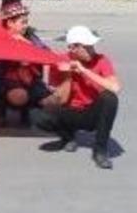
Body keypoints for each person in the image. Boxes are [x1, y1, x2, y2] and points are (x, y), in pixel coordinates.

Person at [36, 25, 120, 169]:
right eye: (86, 47)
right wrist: (67, 75)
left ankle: (100, 150)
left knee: (110, 98)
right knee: (40, 117)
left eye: (92, 46)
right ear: (73, 48)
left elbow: (115, 87)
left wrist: (83, 70)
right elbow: (60, 99)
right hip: (71, 112)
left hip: (92, 113)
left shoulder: (101, 59)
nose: (92, 50)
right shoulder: (61, 61)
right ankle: (68, 137)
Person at [0, 2, 51, 126]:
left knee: (50, 99)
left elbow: (46, 53)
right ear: (10, 23)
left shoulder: (29, 36)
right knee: (18, 95)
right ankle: (0, 109)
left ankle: (25, 111)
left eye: (26, 22)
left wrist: (26, 44)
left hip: (29, 81)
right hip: (4, 83)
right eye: (23, 22)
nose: (26, 26)